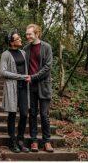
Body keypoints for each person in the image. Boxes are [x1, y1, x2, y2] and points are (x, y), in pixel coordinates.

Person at [24, 23, 53, 152]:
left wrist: (34, 77)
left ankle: (47, 141)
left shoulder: (46, 47)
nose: (27, 36)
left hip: (44, 86)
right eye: (26, 34)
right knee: (33, 114)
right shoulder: (26, 49)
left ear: (37, 33)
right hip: (30, 87)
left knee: (44, 115)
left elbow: (47, 67)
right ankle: (34, 141)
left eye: (30, 34)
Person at [0, 30, 30, 153]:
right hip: (12, 87)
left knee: (24, 114)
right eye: (18, 39)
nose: (20, 40)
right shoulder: (5, 54)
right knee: (12, 114)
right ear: (12, 42)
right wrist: (21, 76)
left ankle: (20, 141)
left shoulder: (23, 52)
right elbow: (3, 72)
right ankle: (12, 142)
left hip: (23, 87)